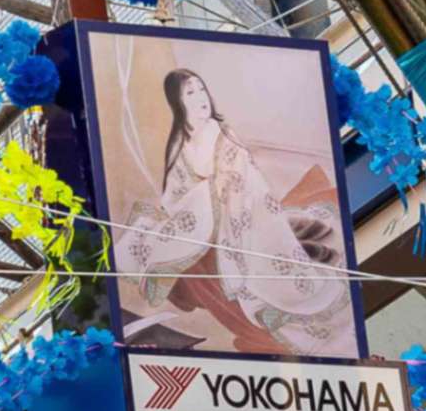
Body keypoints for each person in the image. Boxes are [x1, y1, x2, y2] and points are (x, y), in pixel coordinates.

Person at [126, 67, 349, 356]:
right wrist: (210, 196)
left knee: (276, 250)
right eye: (191, 93)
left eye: (202, 89)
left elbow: (245, 170)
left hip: (252, 209)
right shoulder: (180, 144)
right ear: (178, 101)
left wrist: (234, 187)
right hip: (219, 219)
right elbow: (175, 195)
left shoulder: (221, 129)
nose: (201, 97)